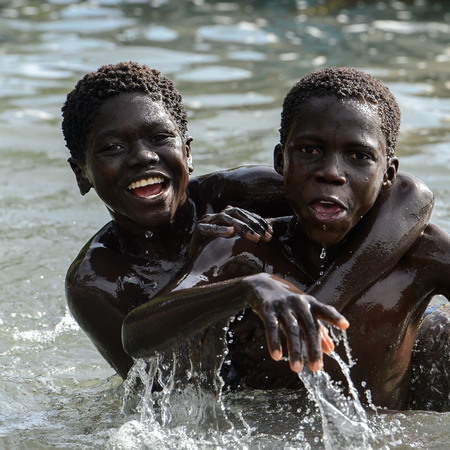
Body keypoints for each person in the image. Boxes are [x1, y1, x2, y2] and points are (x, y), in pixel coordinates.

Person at [62, 62, 432, 384]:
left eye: (160, 138)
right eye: (112, 148)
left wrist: (315, 307)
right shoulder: (96, 280)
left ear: (187, 153)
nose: (143, 156)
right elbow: (159, 390)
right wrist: (233, 286)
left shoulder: (236, 194)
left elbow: (409, 196)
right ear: (82, 175)